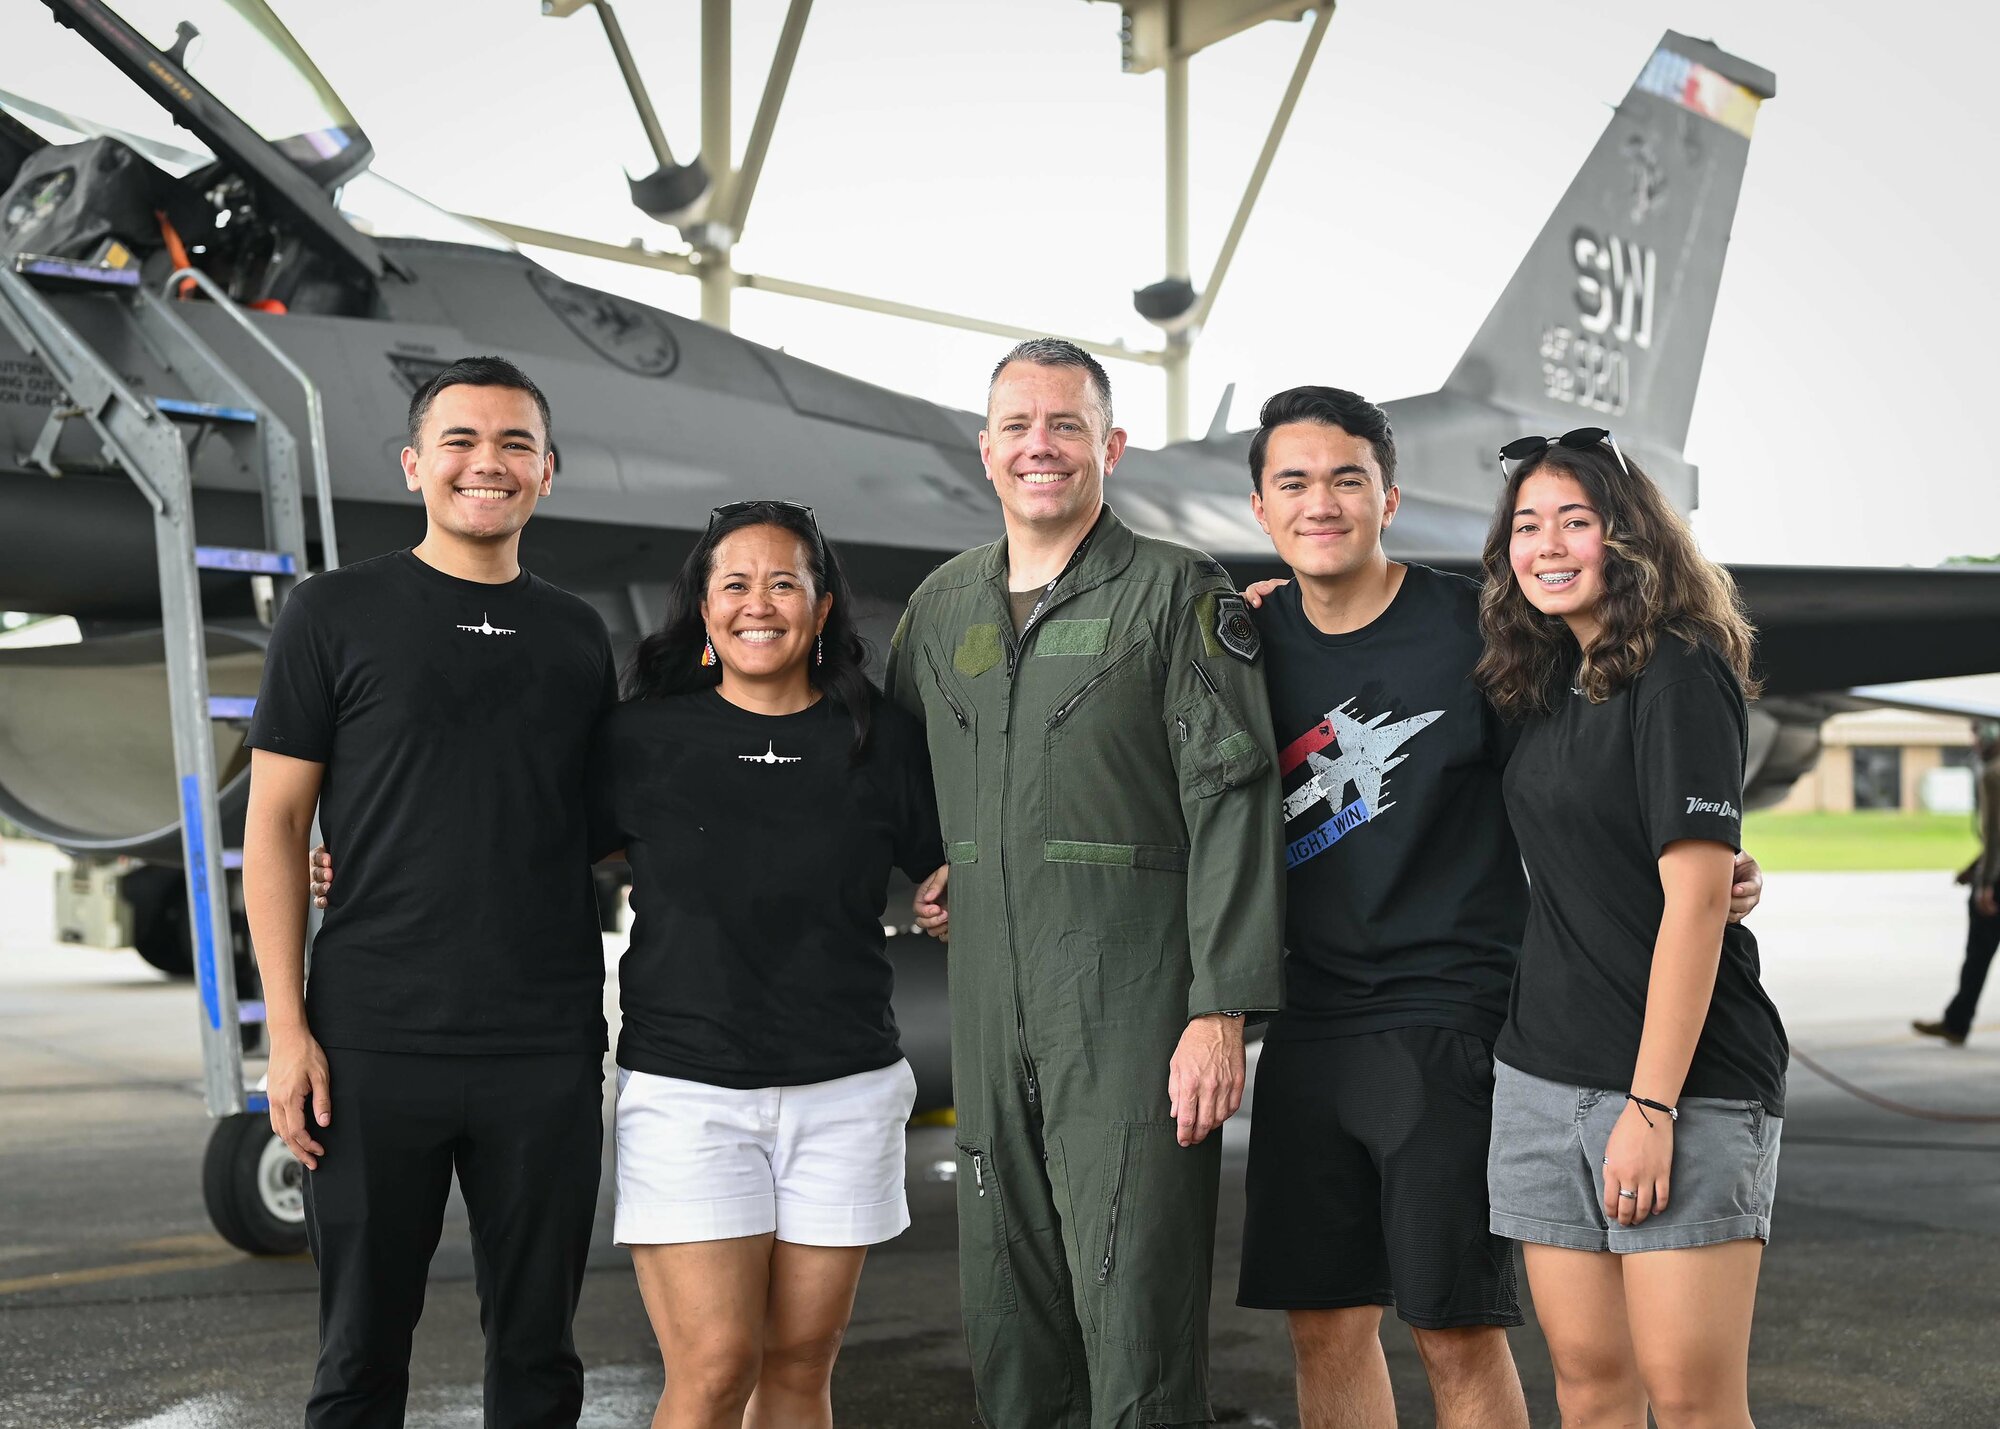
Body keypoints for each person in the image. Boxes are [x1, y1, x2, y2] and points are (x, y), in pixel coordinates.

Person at [1233, 390, 1762, 1429]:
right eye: (1292, 482)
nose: (1321, 503)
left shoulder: (1480, 635)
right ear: (1258, 509)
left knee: (1454, 1327)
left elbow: (1609, 764)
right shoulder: (1238, 639)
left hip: (1453, 1021)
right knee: (1324, 1325)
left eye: (1346, 478)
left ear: (1389, 495)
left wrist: (1712, 867)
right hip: (1306, 1023)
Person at [883, 338, 1285, 1429]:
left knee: (1135, 1301)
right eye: (1016, 426)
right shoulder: (941, 609)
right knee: (1007, 1310)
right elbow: (890, 768)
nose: (1039, 447)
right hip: (988, 1004)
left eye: (1064, 425)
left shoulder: (1174, 596)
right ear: (985, 450)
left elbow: (1233, 802)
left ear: (1108, 447)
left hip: (1130, 1007)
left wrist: (1219, 1011)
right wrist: (930, 866)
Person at [244, 356, 617, 1427]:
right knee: (359, 1353)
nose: (485, 464)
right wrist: (290, 1029)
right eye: (459, 441)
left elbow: (587, 825)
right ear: (414, 465)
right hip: (372, 1042)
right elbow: (275, 826)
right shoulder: (331, 612)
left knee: (539, 1355)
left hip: (542, 1047)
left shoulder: (575, 633)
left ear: (547, 471)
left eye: (513, 444)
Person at [596, 500, 947, 1429]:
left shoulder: (881, 739)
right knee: (716, 1367)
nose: (761, 603)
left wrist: (956, 888)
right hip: (688, 1090)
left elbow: (953, 859)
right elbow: (518, 843)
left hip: (847, 1087)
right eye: (736, 583)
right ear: (704, 610)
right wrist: (355, 858)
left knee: (798, 1366)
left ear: (822, 607)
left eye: (785, 581)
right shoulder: (641, 741)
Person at [1478, 429, 1788, 1429]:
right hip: (1539, 1074)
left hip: (1679, 1085)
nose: (1548, 543)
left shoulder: (1676, 671)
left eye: (1577, 519)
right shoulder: (1535, 680)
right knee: (1588, 1389)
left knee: (1690, 1401)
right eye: (1527, 524)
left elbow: (1696, 900)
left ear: (1630, 539)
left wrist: (1647, 1109)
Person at [1914, 718, 2000, 1046]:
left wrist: (1986, 883)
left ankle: (1957, 1023)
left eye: (1977, 733)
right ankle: (1956, 1020)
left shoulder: (1993, 773)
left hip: (1996, 881)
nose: (1974, 741)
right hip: (1991, 870)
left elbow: (1995, 835)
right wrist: (1975, 867)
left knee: (1977, 955)